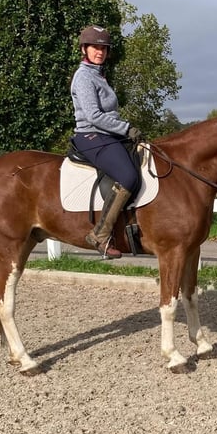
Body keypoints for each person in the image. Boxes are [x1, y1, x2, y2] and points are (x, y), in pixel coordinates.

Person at [70, 24, 142, 259]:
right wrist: (126, 129)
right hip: (91, 135)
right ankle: (99, 235)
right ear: (84, 49)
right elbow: (93, 116)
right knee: (128, 175)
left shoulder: (98, 75)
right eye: (95, 47)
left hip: (108, 134)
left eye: (103, 48)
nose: (99, 51)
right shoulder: (83, 77)